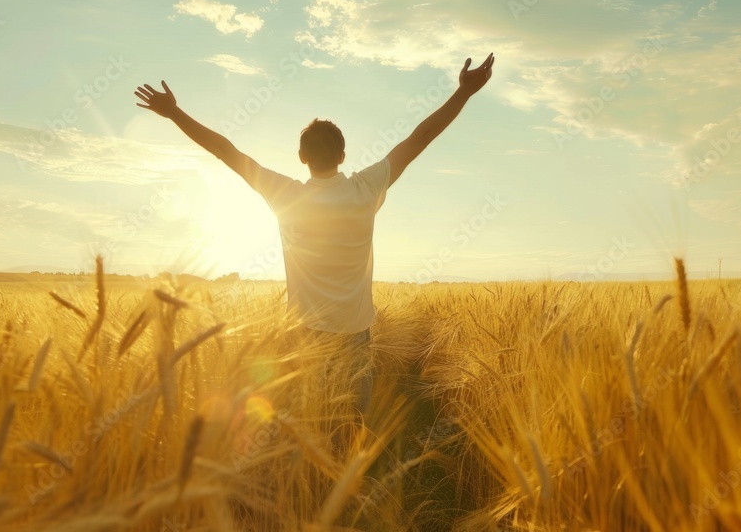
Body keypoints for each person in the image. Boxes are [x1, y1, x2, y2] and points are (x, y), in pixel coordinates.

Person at [134, 53, 495, 433]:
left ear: (301, 157)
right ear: (342, 156)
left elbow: (227, 152)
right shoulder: (366, 188)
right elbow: (420, 137)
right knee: (352, 430)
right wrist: (463, 92)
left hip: (302, 336)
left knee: (305, 431)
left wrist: (175, 114)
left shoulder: (284, 193)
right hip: (354, 335)